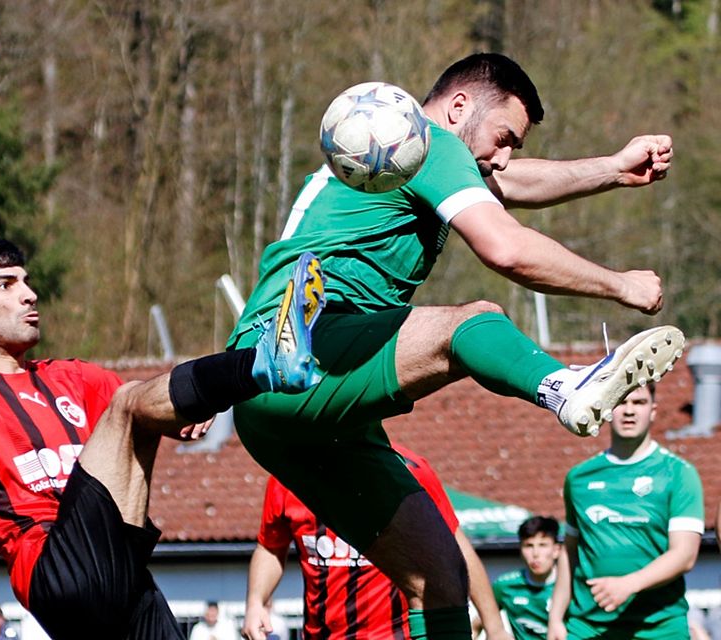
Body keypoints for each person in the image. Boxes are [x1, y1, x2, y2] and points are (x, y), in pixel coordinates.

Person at [227, 51, 684, 639]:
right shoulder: (420, 142)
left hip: (284, 411)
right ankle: (562, 386)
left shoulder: (396, 150)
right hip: (296, 349)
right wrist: (620, 285)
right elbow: (507, 249)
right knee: (469, 323)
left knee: (441, 576)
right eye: (503, 136)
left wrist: (615, 169)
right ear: (460, 106)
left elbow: (508, 181)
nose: (504, 155)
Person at [0, 239, 326, 640]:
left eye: (26, 282)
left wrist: (187, 413)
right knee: (129, 404)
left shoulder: (72, 377)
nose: (29, 294)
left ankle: (264, 362)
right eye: (6, 285)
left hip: (121, 570)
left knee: (135, 404)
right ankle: (261, 364)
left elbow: (154, 409)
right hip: (54, 566)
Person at [242, 444, 510, 640]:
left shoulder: (408, 470)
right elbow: (270, 546)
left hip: (396, 634)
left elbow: (454, 545)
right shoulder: (287, 476)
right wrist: (255, 602)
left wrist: (494, 626)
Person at [547, 383, 704, 639]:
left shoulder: (679, 473)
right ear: (607, 408)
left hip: (659, 627)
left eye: (639, 403)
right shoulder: (578, 477)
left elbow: (685, 554)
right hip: (588, 626)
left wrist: (628, 584)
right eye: (621, 401)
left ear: (653, 411)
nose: (629, 411)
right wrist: (555, 617)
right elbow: (571, 552)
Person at [487, 516, 562, 640]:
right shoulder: (504, 586)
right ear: (520, 549)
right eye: (528, 546)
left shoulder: (572, 586)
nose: (535, 553)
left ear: (556, 550)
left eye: (543, 545)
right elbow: (478, 623)